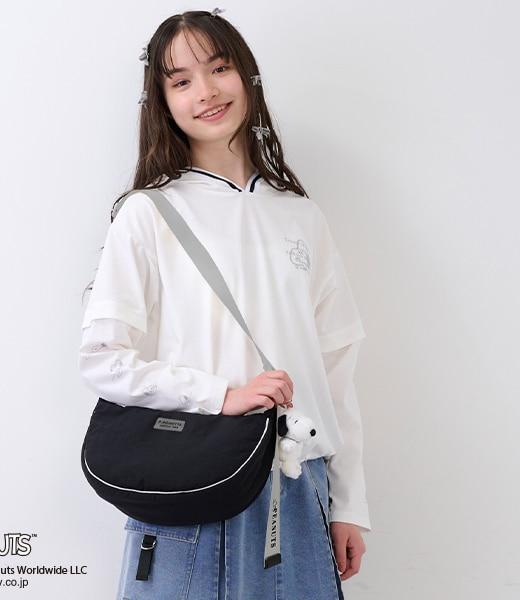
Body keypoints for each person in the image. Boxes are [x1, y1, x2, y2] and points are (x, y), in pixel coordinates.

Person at [79, 8, 370, 599]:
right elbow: (103, 360)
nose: (206, 92)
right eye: (181, 80)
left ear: (247, 76)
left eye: (219, 68)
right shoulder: (148, 213)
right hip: (194, 483)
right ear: (163, 101)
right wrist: (221, 396)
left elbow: (335, 367)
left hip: (299, 485)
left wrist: (348, 503)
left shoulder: (301, 216)